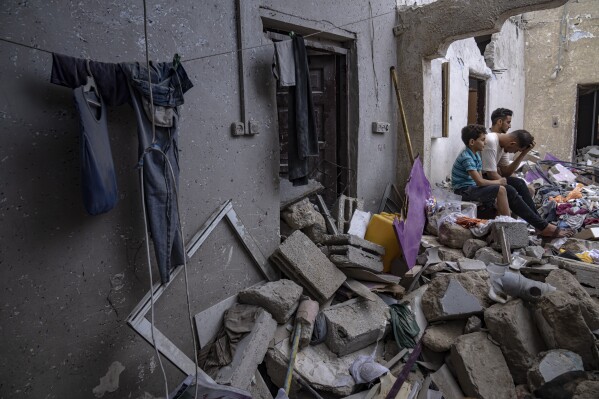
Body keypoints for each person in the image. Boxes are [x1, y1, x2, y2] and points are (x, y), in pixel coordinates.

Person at [452, 125, 569, 237]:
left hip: (475, 184)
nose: (485, 141)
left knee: (519, 184)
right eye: (483, 140)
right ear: (473, 142)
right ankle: (511, 228)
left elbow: (505, 172)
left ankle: (539, 224)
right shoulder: (477, 151)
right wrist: (499, 183)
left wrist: (524, 153)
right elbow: (484, 179)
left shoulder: (477, 154)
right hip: (465, 190)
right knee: (506, 190)